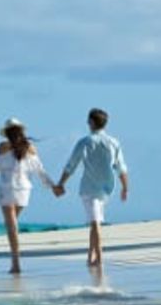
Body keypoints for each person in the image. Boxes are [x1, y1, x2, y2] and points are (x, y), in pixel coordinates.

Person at [0, 118, 60, 274]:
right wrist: (52, 186)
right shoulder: (30, 148)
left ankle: (15, 264)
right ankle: (15, 262)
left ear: (7, 133)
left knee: (11, 227)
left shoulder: (3, 146)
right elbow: (40, 170)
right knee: (13, 225)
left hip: (7, 190)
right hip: (24, 191)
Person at [54, 108, 129, 267]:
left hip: (89, 189)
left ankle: (99, 259)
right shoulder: (114, 142)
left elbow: (71, 165)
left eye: (88, 120)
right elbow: (121, 167)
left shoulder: (85, 142)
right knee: (95, 221)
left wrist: (61, 183)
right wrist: (125, 187)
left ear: (92, 122)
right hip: (107, 189)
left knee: (95, 222)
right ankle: (90, 255)